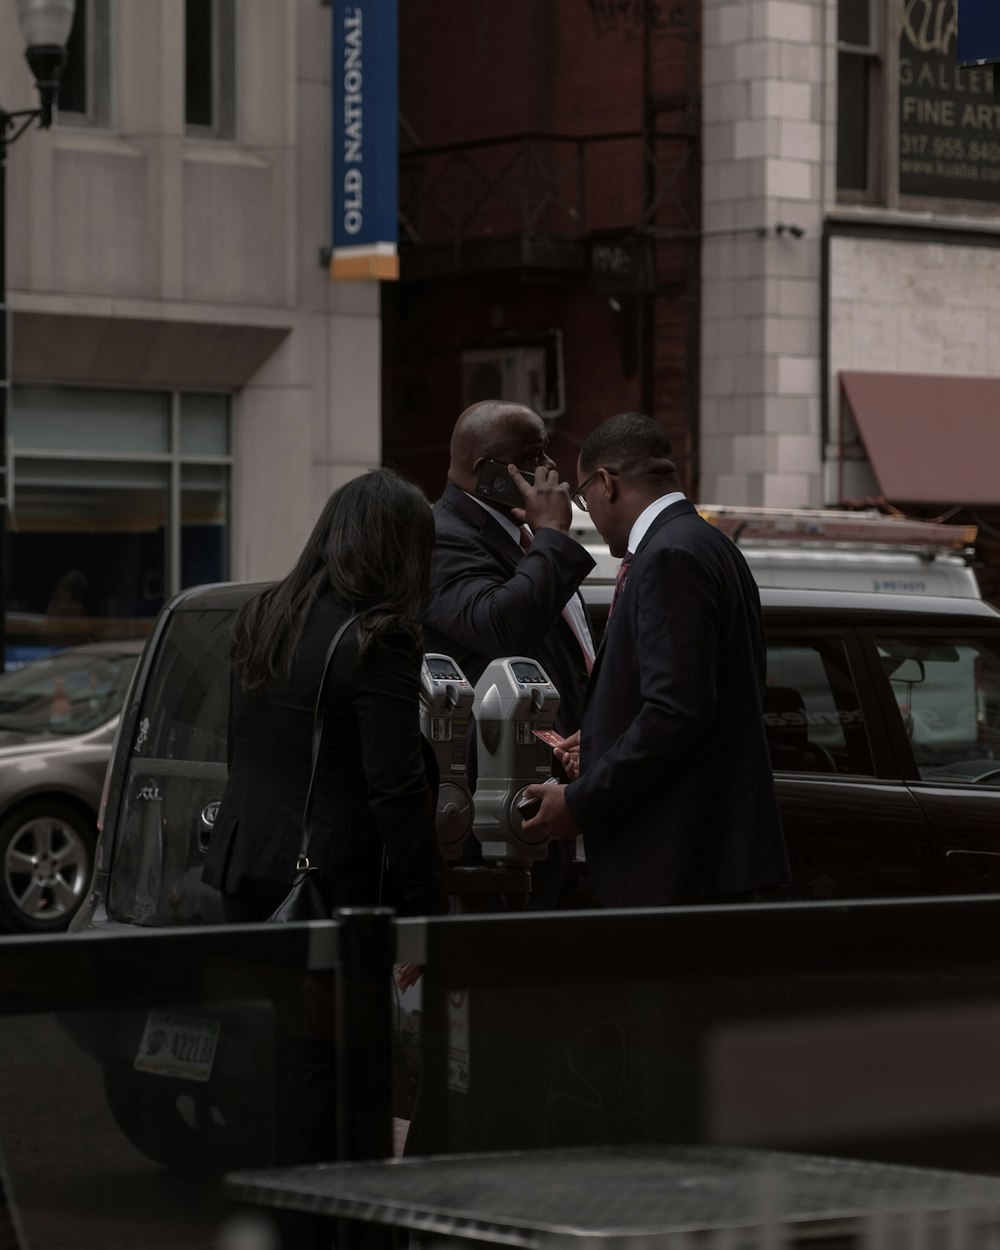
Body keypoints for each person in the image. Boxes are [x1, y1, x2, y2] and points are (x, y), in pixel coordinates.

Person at [521, 412, 789, 908]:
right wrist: (603, 737)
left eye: (583, 498)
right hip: (702, 860)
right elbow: (693, 699)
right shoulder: (709, 545)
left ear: (606, 483)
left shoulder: (669, 556)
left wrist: (580, 802)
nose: (590, 514)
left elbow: (676, 712)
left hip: (681, 862)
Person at [202, 467, 443, 921]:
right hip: (327, 882)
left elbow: (239, 746)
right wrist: (424, 898)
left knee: (271, 994)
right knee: (347, 996)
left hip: (245, 863)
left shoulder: (265, 613)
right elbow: (396, 785)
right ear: (407, 549)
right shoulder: (382, 636)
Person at [423, 400, 597, 907]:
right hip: (497, 818)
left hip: (557, 793)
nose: (550, 471)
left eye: (547, 451)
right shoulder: (441, 538)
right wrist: (549, 536)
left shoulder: (525, 541)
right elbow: (501, 627)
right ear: (487, 472)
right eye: (532, 456)